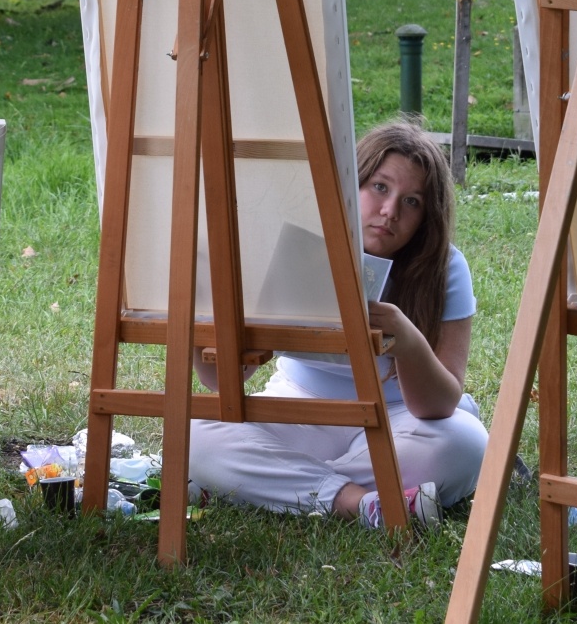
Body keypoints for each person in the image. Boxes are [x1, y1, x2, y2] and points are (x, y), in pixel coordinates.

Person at [188, 120, 488, 527]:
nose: (390, 211)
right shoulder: (299, 244)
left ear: (426, 216)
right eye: (380, 187)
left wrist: (408, 341)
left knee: (466, 444)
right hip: (300, 406)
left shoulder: (444, 267)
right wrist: (194, 317)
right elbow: (224, 382)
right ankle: (361, 503)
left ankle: (275, 482)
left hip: (399, 418)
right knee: (194, 433)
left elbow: (437, 405)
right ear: (351, 182)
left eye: (412, 201)